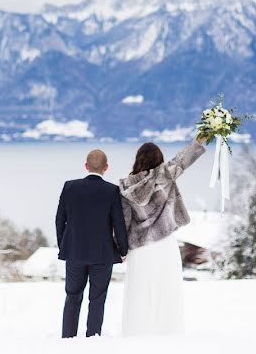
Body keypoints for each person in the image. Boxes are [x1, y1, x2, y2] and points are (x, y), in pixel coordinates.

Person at [118, 136, 208, 336]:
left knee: (139, 289)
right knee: (166, 287)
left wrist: (121, 249)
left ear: (138, 159)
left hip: (139, 247)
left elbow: (123, 221)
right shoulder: (163, 176)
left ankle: (137, 330)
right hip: (165, 243)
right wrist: (198, 141)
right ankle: (167, 330)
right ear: (158, 159)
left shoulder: (124, 187)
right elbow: (182, 160)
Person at [55, 148, 129, 338]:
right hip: (102, 253)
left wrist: (64, 244)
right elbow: (118, 223)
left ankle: (68, 338)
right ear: (106, 168)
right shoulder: (112, 191)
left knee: (72, 296)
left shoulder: (69, 187)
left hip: (74, 252)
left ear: (86, 166)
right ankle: (92, 338)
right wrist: (123, 249)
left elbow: (59, 219)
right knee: (97, 298)